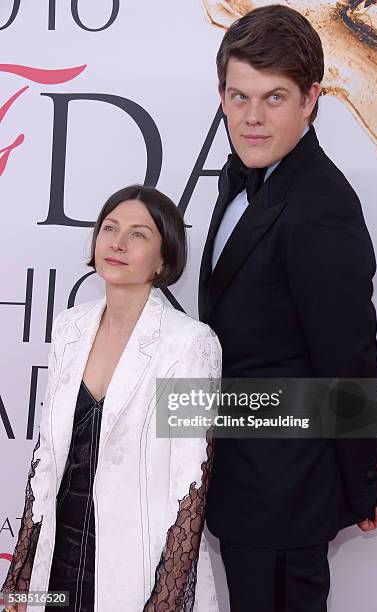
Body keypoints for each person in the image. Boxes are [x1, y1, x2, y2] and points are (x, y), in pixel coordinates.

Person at [198, 5, 377, 611]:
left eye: (274, 98)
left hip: (284, 495)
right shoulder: (244, 176)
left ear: (311, 99)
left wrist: (359, 483)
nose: (251, 119)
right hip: (239, 481)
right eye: (238, 96)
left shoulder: (321, 206)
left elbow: (349, 358)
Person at [2, 185, 221, 612]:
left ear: (163, 258)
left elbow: (190, 487)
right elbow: (45, 463)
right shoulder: (70, 328)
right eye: (109, 228)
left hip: (136, 566)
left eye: (138, 234)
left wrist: (166, 600)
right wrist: (19, 582)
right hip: (58, 555)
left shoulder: (191, 344)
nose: (117, 243)